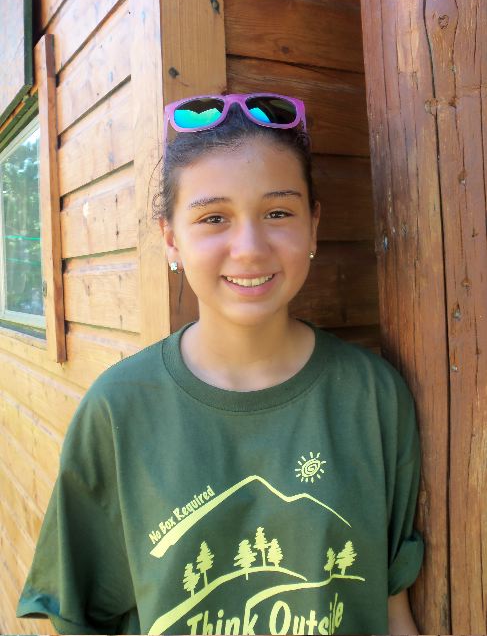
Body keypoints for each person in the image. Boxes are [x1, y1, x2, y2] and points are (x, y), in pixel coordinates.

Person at [17, 93, 423, 635]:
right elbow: (78, 618)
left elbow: (393, 611)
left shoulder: (374, 397)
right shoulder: (117, 410)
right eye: (213, 217)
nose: (249, 247)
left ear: (313, 226)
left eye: (277, 213)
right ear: (171, 239)